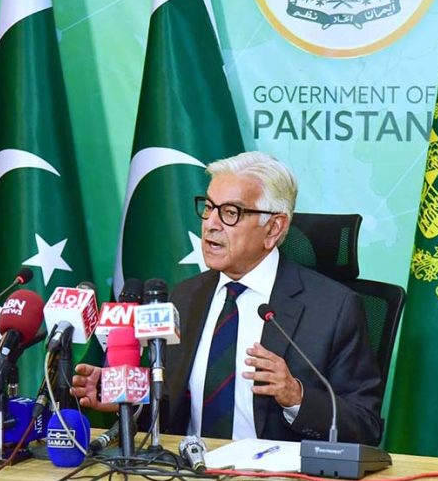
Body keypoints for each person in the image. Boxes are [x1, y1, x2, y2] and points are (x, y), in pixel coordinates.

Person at [73, 151, 383, 444]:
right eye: (208, 208)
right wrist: (126, 399)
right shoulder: (187, 296)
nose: (210, 223)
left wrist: (297, 396)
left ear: (274, 228)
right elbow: (172, 408)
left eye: (230, 212)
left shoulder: (332, 308)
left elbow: (365, 426)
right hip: (189, 470)